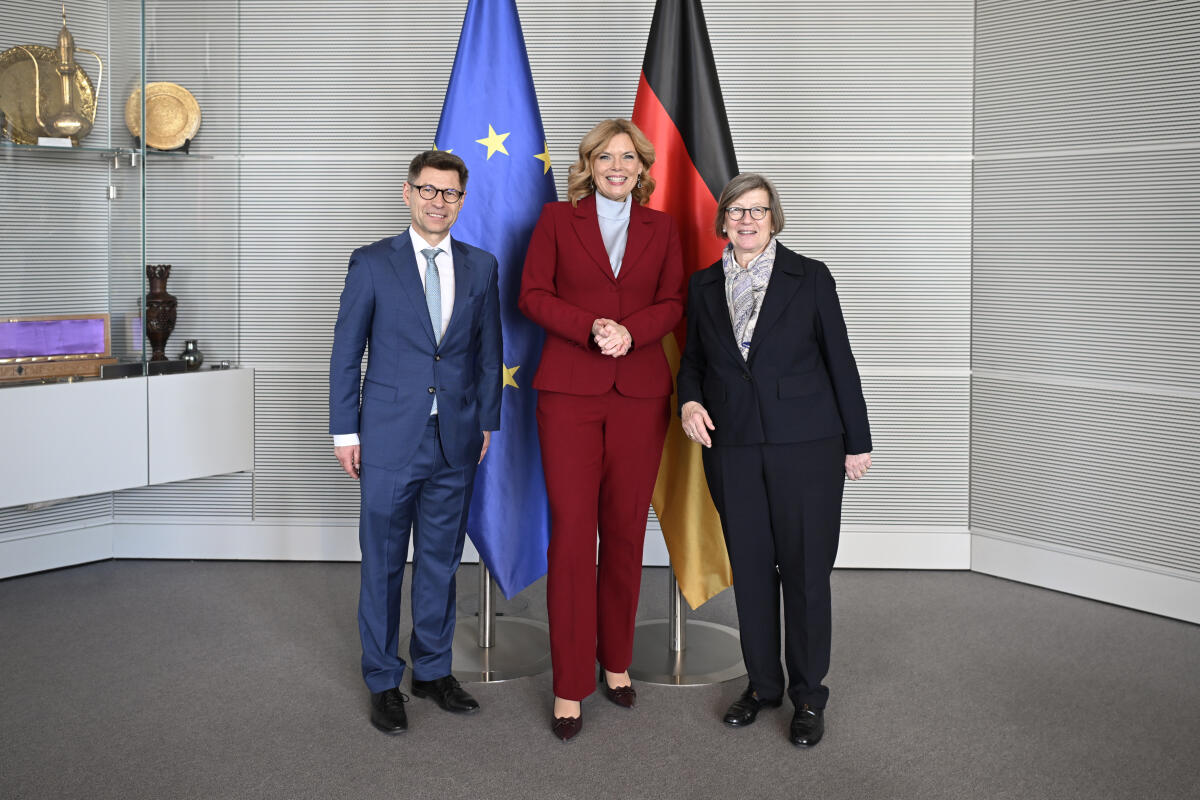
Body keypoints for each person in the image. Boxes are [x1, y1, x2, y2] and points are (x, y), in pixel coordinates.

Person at [676, 173, 872, 747]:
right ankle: (763, 686)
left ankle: (809, 697)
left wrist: (857, 441)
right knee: (754, 573)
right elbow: (692, 361)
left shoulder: (809, 276)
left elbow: (841, 359)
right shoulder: (703, 284)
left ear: (773, 216)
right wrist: (689, 399)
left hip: (807, 447)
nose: (747, 220)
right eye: (736, 211)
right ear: (723, 220)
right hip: (731, 447)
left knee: (807, 574)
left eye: (757, 210)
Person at [519, 119, 684, 741]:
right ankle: (569, 685)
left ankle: (615, 661)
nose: (617, 165)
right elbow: (532, 295)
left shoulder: (662, 227)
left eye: (629, 156)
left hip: (639, 396)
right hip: (568, 396)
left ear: (642, 166)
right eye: (604, 156)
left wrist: (632, 333)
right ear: (587, 165)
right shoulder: (556, 223)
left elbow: (673, 302)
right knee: (571, 536)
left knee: (623, 534)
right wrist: (593, 326)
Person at [329, 150, 502, 734]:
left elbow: (488, 354)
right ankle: (383, 679)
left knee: (440, 560)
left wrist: (485, 423)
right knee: (382, 563)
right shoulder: (373, 263)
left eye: (450, 194)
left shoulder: (481, 267)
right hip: (386, 437)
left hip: (454, 439)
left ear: (461, 201)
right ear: (407, 193)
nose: (438, 202)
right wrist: (345, 430)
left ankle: (430, 670)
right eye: (428, 191)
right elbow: (347, 352)